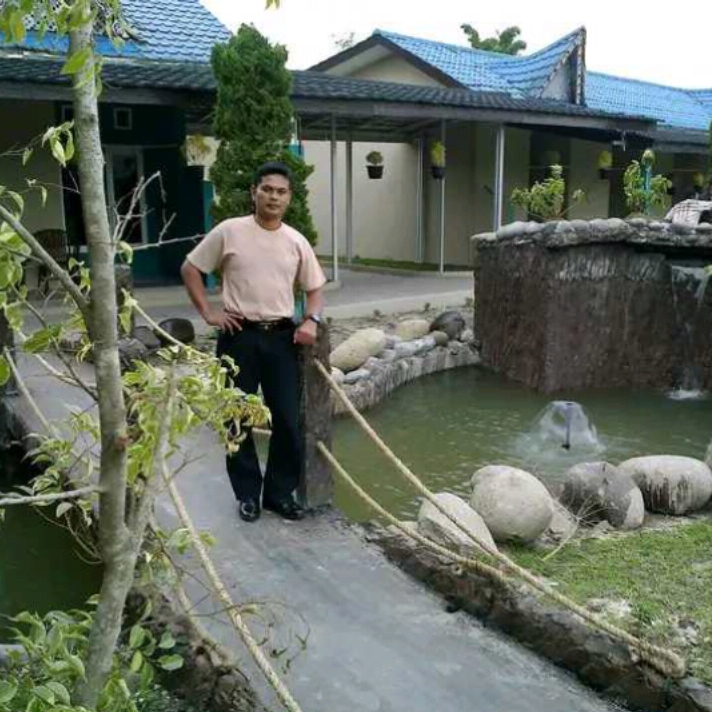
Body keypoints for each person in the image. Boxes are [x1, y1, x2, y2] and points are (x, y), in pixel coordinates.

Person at [181, 161, 326, 523]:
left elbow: (314, 288)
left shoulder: (295, 240)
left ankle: (278, 495)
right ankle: (247, 494)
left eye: (281, 191)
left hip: (281, 339)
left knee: (287, 420)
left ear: (289, 198)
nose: (274, 197)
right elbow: (190, 268)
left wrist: (311, 319)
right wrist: (208, 312)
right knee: (236, 420)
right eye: (267, 189)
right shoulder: (230, 231)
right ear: (254, 192)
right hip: (238, 337)